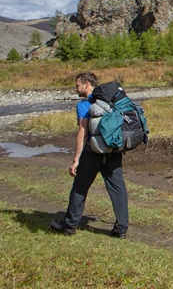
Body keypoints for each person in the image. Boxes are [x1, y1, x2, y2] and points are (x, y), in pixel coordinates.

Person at [49, 71, 129, 238]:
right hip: (113, 150)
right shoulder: (111, 100)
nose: (75, 89)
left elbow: (82, 133)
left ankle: (69, 225)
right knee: (117, 188)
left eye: (77, 85)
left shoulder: (85, 105)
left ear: (86, 84)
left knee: (80, 187)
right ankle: (121, 229)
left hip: (92, 152)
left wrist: (76, 159)